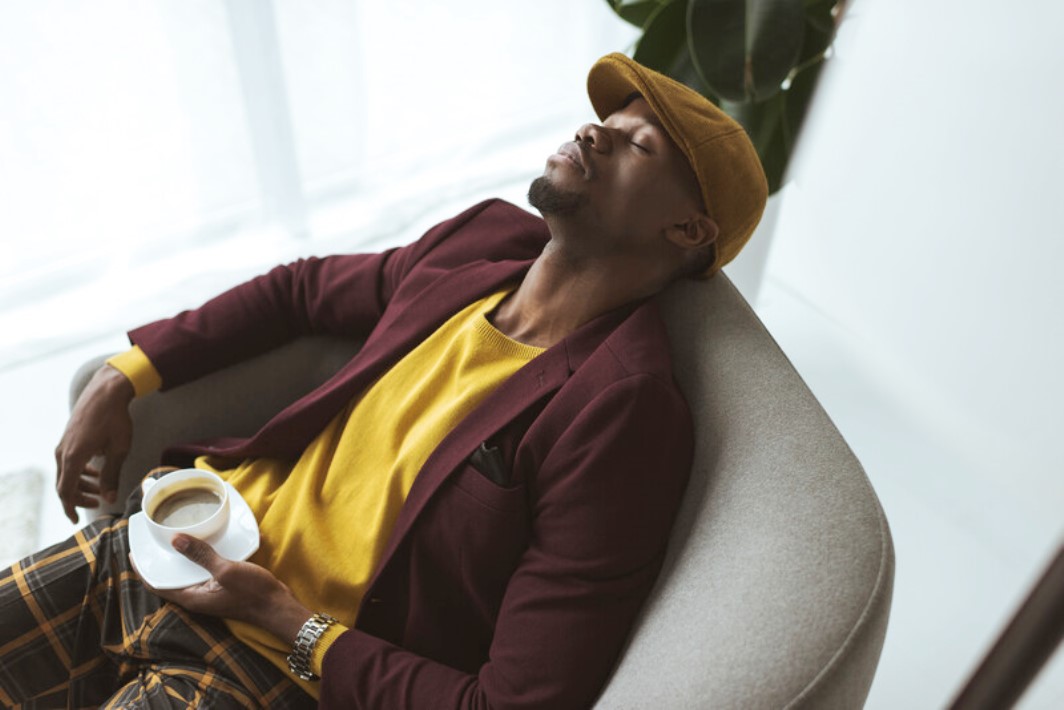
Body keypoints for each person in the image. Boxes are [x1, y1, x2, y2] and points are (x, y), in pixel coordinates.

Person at [1, 53, 767, 708]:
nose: (593, 129)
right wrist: (126, 373)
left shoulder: (624, 410)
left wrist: (287, 623)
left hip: (266, 673)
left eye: (637, 144)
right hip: (158, 545)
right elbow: (301, 291)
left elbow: (516, 701)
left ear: (688, 231)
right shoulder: (482, 242)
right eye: (606, 117)